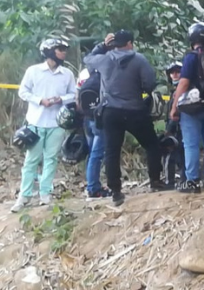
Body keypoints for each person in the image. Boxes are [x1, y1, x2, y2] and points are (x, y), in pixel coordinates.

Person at [84, 30, 166, 206]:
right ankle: (155, 181)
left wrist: (102, 46)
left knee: (112, 151)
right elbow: (150, 84)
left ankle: (116, 191)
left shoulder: (104, 59)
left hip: (110, 112)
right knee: (152, 144)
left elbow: (88, 59)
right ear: (129, 43)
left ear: (113, 44)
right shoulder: (139, 59)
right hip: (134, 110)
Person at [11, 38, 77, 213]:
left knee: (51, 158)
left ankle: (45, 193)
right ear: (49, 52)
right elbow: (23, 91)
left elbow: (74, 94)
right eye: (60, 49)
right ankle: (24, 196)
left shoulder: (67, 74)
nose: (64, 52)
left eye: (64, 49)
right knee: (31, 160)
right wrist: (40, 101)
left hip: (57, 122)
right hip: (36, 121)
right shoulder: (33, 71)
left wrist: (60, 99)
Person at [169, 23, 204, 194]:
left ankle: (192, 181)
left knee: (191, 144)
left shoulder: (191, 58)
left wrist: (174, 106)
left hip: (192, 107)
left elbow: (184, 82)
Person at [77, 66, 111, 199]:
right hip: (100, 120)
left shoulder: (85, 73)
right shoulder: (108, 70)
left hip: (87, 119)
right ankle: (93, 188)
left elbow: (77, 98)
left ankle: (91, 184)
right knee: (96, 155)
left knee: (92, 154)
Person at [163, 62, 184, 186]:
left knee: (172, 155)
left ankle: (170, 182)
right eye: (172, 72)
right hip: (177, 127)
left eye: (177, 72)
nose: (174, 75)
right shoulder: (174, 91)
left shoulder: (181, 90)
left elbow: (176, 113)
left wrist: (169, 128)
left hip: (178, 127)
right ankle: (182, 179)